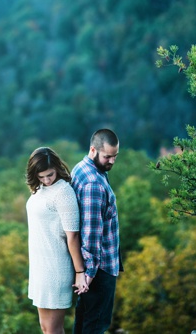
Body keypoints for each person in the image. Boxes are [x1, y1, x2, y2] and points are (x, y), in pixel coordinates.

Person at [25, 147, 89, 334]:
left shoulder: (63, 192)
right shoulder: (41, 188)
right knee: (46, 329)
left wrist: (79, 271)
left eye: (50, 175)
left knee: (53, 330)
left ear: (57, 168)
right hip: (39, 268)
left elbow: (73, 236)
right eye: (41, 176)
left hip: (55, 268)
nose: (46, 180)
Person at [70, 129, 122, 334]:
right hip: (99, 269)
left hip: (91, 266)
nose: (112, 161)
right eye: (107, 156)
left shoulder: (83, 167)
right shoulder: (94, 184)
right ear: (93, 150)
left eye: (115, 156)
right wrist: (88, 274)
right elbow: (91, 232)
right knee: (96, 326)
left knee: (83, 324)